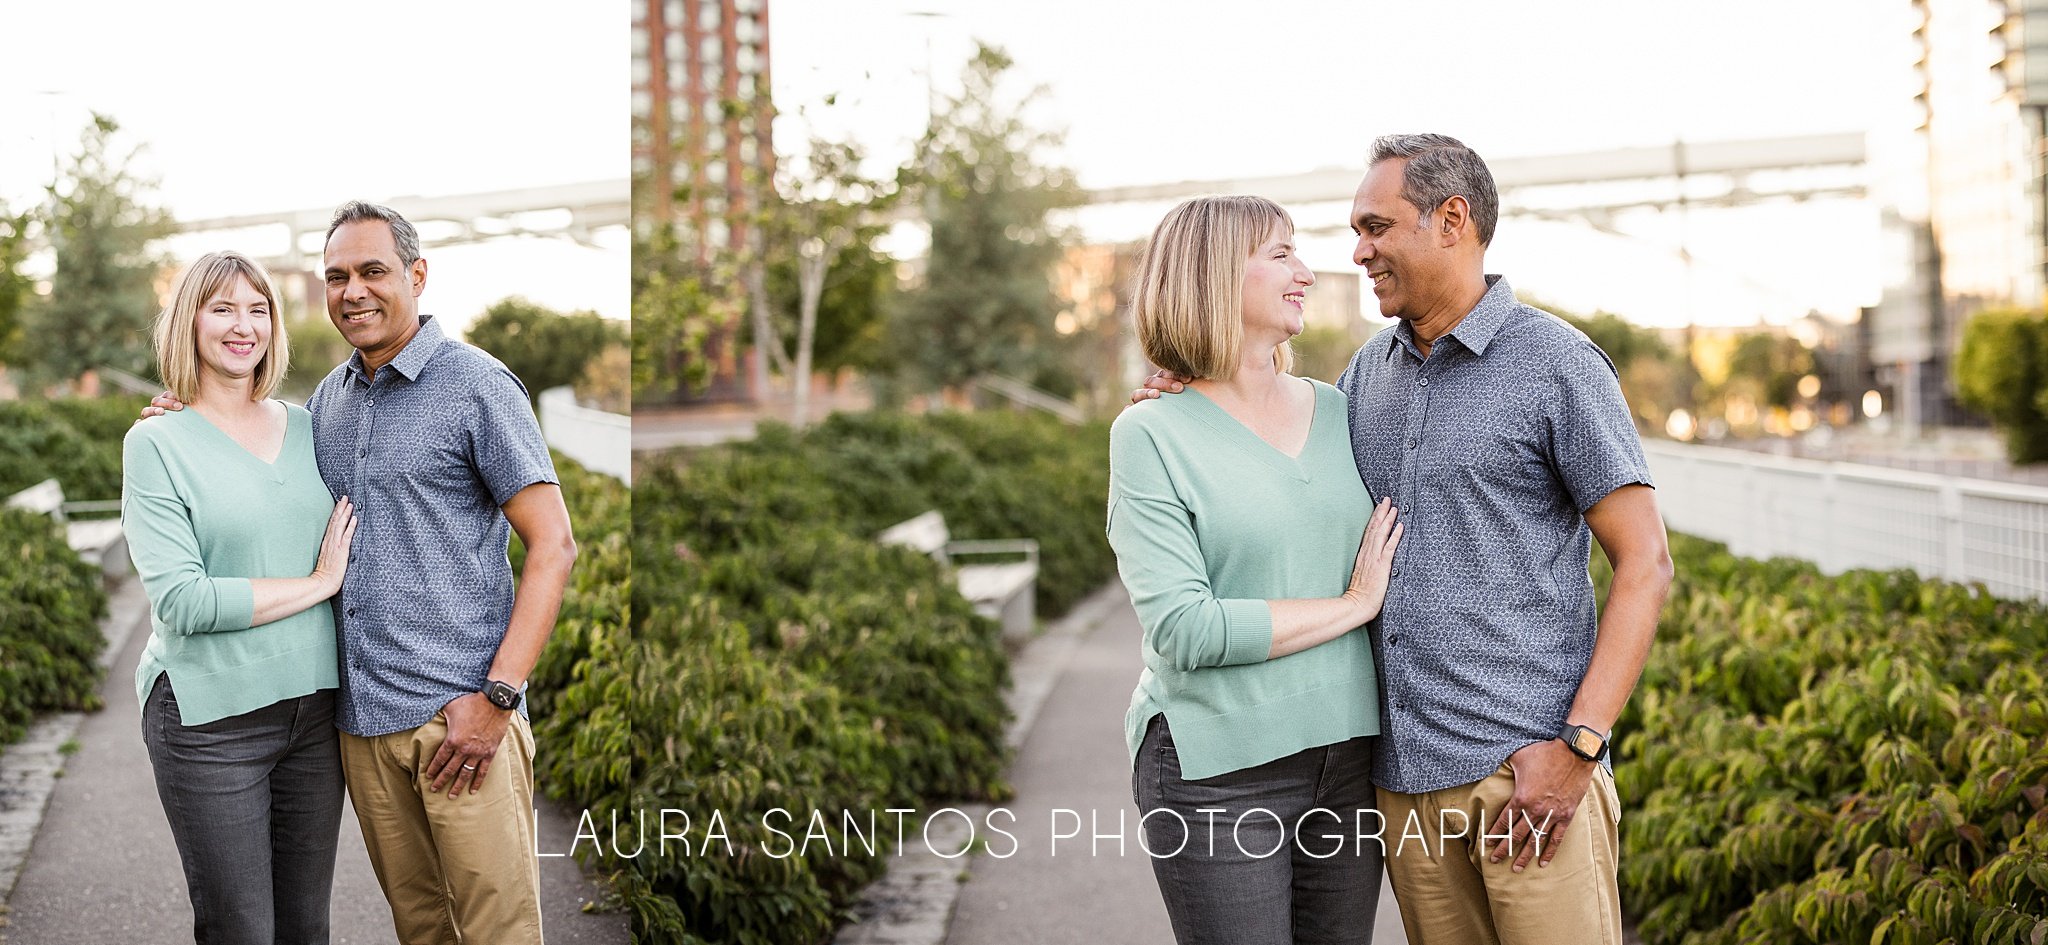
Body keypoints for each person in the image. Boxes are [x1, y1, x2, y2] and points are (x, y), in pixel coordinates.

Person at [1140, 135, 1674, 945]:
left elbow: (1646, 561)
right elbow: (1268, 447)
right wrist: (1188, 388)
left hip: (1526, 777)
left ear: (1451, 219)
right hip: (1401, 787)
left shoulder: (1557, 363)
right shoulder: (1361, 380)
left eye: (1376, 227)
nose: (1357, 252)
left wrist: (1580, 747)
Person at [151, 201, 578, 944]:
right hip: (362, 729)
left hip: (461, 720)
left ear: (416, 274)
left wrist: (499, 697)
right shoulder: (328, 405)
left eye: (373, 271)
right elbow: (254, 463)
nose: (353, 291)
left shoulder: (477, 384)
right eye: (336, 276)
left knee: (497, 931)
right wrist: (186, 417)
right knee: (421, 928)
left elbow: (555, 545)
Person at [1111, 194, 1403, 945]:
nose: (1306, 271)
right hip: (1218, 769)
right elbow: (1185, 628)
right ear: (1212, 276)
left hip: (1347, 760)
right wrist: (1351, 604)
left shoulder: (1344, 410)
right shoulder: (1150, 432)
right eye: (1282, 254)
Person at [123, 251, 358, 944]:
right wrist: (316, 585)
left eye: (258, 309)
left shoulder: (312, 427)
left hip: (314, 717)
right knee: (241, 932)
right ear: (189, 320)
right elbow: (183, 602)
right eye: (222, 307)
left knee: (305, 929)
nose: (242, 325)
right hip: (209, 723)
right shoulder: (156, 443)